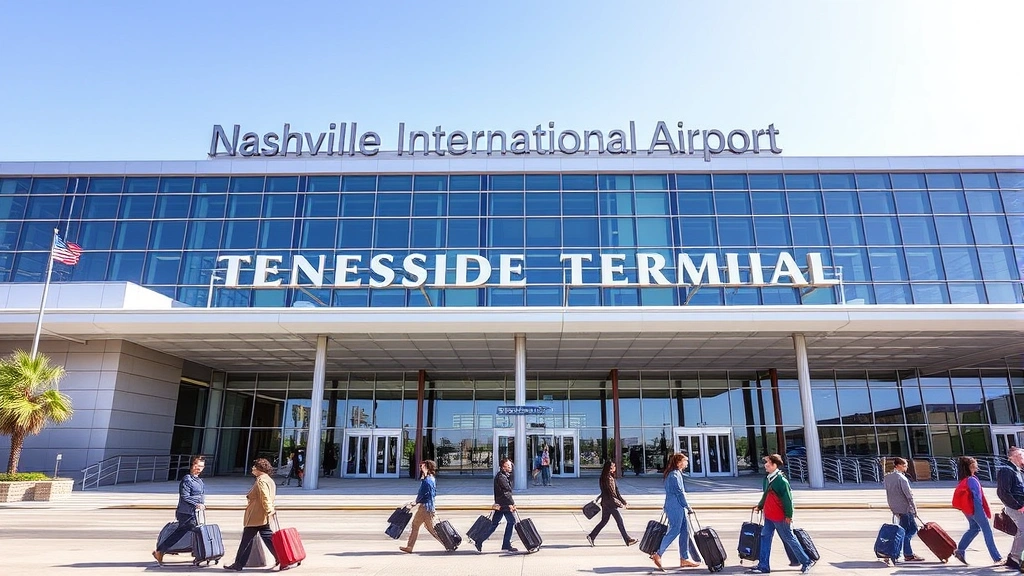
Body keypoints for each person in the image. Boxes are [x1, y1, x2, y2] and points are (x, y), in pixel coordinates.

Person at [747, 453, 812, 575]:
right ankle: (763, 565)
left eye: (768, 463)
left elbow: (788, 499)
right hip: (769, 516)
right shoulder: (767, 478)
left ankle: (806, 561)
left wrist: (789, 516)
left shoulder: (781, 481)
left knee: (789, 539)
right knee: (765, 538)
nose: (765, 465)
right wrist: (760, 506)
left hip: (780, 517)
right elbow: (765, 495)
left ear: (774, 465)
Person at [222, 458, 281, 571]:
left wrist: (269, 509)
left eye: (254, 466)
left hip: (256, 515)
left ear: (259, 469)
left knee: (247, 541)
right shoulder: (269, 480)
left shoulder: (261, 481)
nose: (252, 468)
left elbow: (265, 497)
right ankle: (281, 557)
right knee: (268, 538)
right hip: (263, 516)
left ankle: (238, 564)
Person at [152, 455, 207, 565]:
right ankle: (199, 554)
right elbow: (184, 496)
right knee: (197, 532)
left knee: (185, 533)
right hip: (186, 512)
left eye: (201, 466)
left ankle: (161, 551)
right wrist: (197, 503)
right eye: (197, 465)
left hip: (194, 513)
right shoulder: (187, 479)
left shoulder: (199, 480)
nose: (199, 468)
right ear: (192, 465)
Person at [651, 453, 699, 570]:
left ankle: (684, 558)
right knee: (675, 530)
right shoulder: (674, 475)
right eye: (685, 461)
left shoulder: (676, 474)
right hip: (675, 507)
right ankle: (658, 554)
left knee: (685, 532)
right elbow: (679, 493)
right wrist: (687, 506)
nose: (687, 463)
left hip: (678, 507)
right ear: (679, 463)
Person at [954, 455, 1002, 566]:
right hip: (976, 508)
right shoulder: (972, 480)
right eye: (975, 463)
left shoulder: (964, 480)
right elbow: (977, 498)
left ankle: (960, 550)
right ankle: (996, 557)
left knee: (974, 528)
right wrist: (982, 512)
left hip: (968, 509)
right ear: (970, 466)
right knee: (987, 531)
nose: (977, 465)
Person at [587, 460, 637, 547]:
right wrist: (620, 504)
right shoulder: (607, 479)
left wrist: (623, 501)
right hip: (610, 504)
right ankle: (627, 539)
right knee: (619, 522)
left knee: (604, 521)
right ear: (610, 468)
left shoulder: (608, 477)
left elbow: (616, 492)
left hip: (606, 503)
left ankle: (591, 536)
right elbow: (612, 494)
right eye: (614, 466)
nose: (615, 468)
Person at [884, 457, 925, 562]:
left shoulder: (888, 477)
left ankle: (899, 552)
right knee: (912, 530)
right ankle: (907, 553)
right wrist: (914, 509)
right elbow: (909, 495)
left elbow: (889, 493)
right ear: (898, 466)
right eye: (904, 465)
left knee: (902, 530)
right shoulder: (902, 478)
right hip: (905, 508)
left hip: (895, 507)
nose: (906, 467)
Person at [474, 457, 518, 553]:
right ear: (503, 467)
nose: (510, 467)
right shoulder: (501, 477)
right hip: (504, 504)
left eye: (510, 465)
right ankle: (506, 544)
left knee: (494, 524)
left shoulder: (504, 476)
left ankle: (480, 540)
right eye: (508, 465)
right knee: (511, 522)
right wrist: (512, 504)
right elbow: (506, 492)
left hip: (501, 503)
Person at [399, 459, 442, 553]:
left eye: (422, 466)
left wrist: (415, 502)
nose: (420, 468)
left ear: (427, 468)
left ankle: (448, 542)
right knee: (424, 527)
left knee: (423, 527)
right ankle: (409, 547)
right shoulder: (430, 478)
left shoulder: (427, 481)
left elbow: (424, 494)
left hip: (425, 508)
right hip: (428, 507)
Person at [997, 447, 1024, 570]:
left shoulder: (1017, 470)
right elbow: (1003, 492)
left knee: (1021, 531)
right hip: (1016, 507)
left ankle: (1014, 557)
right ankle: (1014, 558)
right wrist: (1018, 506)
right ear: (1013, 456)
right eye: (1021, 455)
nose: (1023, 457)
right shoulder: (1006, 470)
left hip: (1019, 506)